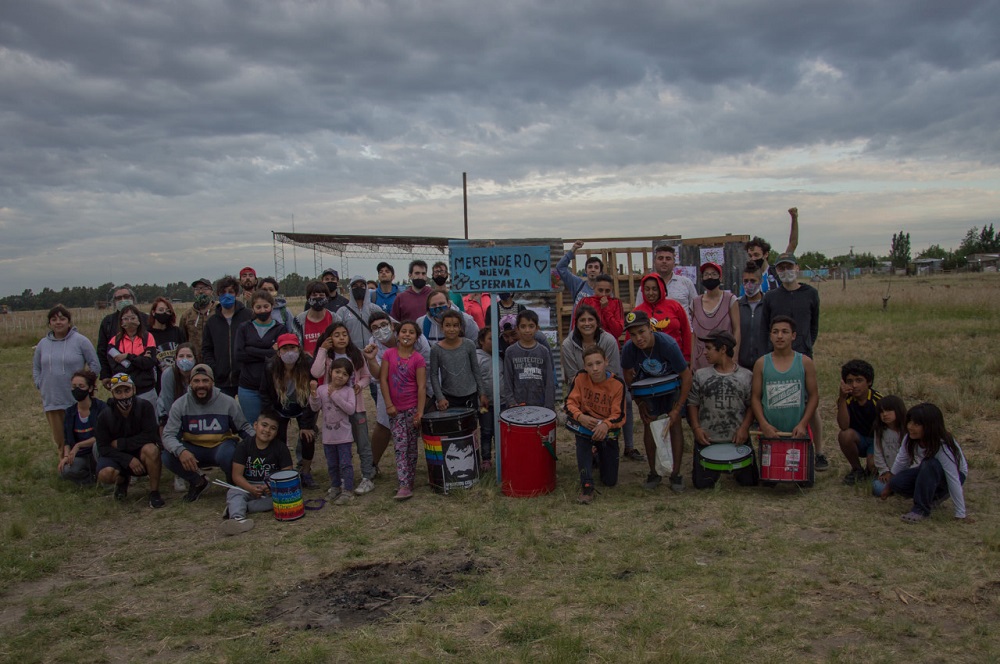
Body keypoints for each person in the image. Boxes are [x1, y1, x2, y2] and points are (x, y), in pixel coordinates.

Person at [759, 253, 827, 470]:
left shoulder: (810, 293)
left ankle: (819, 452)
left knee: (809, 403)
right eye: (781, 268)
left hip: (802, 354)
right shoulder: (770, 297)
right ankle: (779, 445)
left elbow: (814, 325)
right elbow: (764, 327)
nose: (785, 271)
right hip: (776, 356)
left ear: (797, 268)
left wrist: (806, 345)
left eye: (789, 266)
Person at [621, 310, 692, 493]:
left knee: (674, 425)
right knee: (649, 424)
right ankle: (653, 473)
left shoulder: (667, 344)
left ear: (650, 328)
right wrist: (638, 401)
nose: (638, 338)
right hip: (647, 390)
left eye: (642, 332)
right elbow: (628, 375)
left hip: (671, 387)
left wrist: (678, 408)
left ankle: (675, 474)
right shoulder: (629, 349)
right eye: (633, 334)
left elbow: (686, 376)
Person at [161, 364, 254, 501]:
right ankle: (198, 482)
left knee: (230, 453)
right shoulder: (180, 405)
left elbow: (244, 428)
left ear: (212, 383)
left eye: (205, 381)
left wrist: (259, 443)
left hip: (220, 447)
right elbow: (168, 435)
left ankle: (233, 483)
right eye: (196, 381)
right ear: (190, 383)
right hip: (193, 450)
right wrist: (181, 451)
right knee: (167, 456)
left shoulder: (227, 402)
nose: (201, 385)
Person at [561, 304, 640, 461]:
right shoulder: (567, 345)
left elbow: (614, 372)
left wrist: (600, 390)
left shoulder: (609, 340)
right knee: (580, 406)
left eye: (591, 319)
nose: (587, 323)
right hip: (582, 386)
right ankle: (589, 444)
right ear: (576, 323)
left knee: (628, 402)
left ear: (597, 322)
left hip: (608, 384)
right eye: (582, 320)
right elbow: (572, 376)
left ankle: (629, 446)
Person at [363, 312, 432, 478]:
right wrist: (371, 360)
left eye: (383, 325)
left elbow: (427, 365)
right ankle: (372, 466)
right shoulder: (373, 345)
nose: (380, 330)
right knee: (383, 424)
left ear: (392, 326)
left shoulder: (415, 337)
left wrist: (425, 395)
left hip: (420, 382)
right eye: (375, 328)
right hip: (389, 385)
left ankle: (435, 465)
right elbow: (380, 376)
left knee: (425, 424)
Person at [312, 322, 376, 494]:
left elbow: (366, 376)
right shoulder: (327, 358)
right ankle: (339, 479)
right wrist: (322, 349)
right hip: (333, 408)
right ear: (330, 338)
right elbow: (316, 373)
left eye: (344, 334)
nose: (341, 338)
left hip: (356, 405)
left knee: (362, 441)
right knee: (338, 444)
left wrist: (359, 385)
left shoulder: (356, 355)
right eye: (337, 335)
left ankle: (367, 476)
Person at [687, 331, 756, 489]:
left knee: (749, 483)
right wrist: (697, 428)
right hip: (708, 441)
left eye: (709, 348)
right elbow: (692, 403)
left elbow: (752, 405)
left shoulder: (746, 376)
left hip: (737, 440)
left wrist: (744, 428)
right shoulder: (700, 375)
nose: (705, 352)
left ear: (723, 349)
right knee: (702, 485)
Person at [882, 403, 968, 523]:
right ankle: (930, 499)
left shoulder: (942, 445)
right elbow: (901, 462)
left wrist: (960, 514)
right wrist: (889, 486)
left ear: (930, 427)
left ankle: (920, 509)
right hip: (927, 471)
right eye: (910, 422)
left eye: (916, 424)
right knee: (897, 482)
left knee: (930, 464)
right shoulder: (909, 439)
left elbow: (953, 478)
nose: (910, 427)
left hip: (953, 476)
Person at [33, 305, 100, 457]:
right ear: (49, 323)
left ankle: (85, 463)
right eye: (54, 319)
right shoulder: (43, 344)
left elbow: (95, 365)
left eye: (62, 319)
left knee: (79, 434)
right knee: (60, 438)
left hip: (75, 399)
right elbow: (36, 367)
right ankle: (64, 465)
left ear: (69, 322)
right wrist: (40, 383)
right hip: (52, 399)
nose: (58, 322)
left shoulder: (81, 341)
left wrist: (86, 386)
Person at [565, 345, 627, 504]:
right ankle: (587, 485)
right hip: (586, 424)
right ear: (584, 366)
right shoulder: (580, 377)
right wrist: (580, 417)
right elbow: (569, 404)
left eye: (598, 363)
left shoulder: (618, 384)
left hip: (606, 430)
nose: (595, 368)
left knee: (610, 481)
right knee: (582, 441)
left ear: (606, 362)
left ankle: (597, 454)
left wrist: (606, 425)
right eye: (590, 365)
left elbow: (619, 415)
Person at [96, 373, 164, 507]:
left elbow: (151, 436)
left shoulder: (145, 407)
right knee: (105, 474)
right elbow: (103, 448)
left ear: (134, 389)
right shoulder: (104, 415)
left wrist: (122, 443)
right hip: (118, 457)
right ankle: (122, 479)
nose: (123, 396)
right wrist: (128, 460)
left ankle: (154, 492)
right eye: (118, 391)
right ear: (112, 393)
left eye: (127, 390)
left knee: (152, 449)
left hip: (140, 454)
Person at [220, 411, 293, 536]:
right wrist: (250, 488)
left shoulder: (280, 447)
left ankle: (240, 507)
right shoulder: (244, 446)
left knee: (286, 499)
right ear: (255, 425)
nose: (267, 430)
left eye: (273, 428)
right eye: (264, 425)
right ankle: (238, 519)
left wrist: (272, 485)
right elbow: (236, 475)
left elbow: (287, 472)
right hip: (247, 485)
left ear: (276, 432)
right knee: (233, 492)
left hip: (270, 487)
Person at [260, 333, 319, 488]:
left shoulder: (308, 364)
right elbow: (265, 394)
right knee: (277, 439)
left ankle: (305, 471)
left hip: (302, 405)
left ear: (299, 349)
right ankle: (283, 471)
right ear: (279, 352)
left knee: (308, 436)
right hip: (280, 407)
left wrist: (307, 424)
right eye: (284, 349)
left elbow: (312, 397)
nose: (289, 352)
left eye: (292, 348)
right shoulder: (270, 367)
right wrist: (271, 418)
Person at [751, 316, 819, 449]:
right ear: (770, 336)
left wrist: (803, 424)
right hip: (770, 433)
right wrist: (764, 425)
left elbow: (814, 396)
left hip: (796, 433)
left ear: (793, 336)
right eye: (775, 332)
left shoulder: (804, 362)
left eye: (785, 332)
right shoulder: (761, 364)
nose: (780, 336)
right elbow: (755, 397)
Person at [379, 320, 426, 501]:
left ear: (416, 337)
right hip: (395, 410)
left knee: (412, 447)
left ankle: (410, 478)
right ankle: (404, 484)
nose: (407, 335)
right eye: (403, 331)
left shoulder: (418, 359)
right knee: (400, 446)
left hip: (413, 408)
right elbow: (383, 380)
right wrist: (389, 404)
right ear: (397, 334)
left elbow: (421, 387)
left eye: (411, 332)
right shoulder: (388, 355)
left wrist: (420, 412)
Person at [234, 289, 286, 426]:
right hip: (248, 387)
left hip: (273, 387)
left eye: (265, 306)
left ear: (272, 306)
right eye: (258, 307)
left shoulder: (280, 329)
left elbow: (280, 356)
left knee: (272, 426)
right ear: (253, 308)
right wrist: (268, 351)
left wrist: (250, 349)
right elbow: (239, 355)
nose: (262, 310)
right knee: (253, 426)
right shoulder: (244, 328)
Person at [309, 358, 357, 504]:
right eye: (337, 372)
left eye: (344, 374)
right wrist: (313, 395)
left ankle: (347, 490)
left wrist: (335, 396)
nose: (340, 376)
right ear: (330, 371)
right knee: (332, 464)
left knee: (345, 464)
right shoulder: (322, 389)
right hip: (328, 437)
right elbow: (315, 407)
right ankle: (335, 486)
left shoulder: (349, 391)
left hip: (344, 436)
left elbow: (350, 409)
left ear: (349, 378)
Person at [202, 276, 252, 398]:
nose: (227, 295)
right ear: (218, 294)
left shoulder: (248, 316)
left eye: (230, 292)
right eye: (223, 292)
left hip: (245, 378)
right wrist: (214, 368)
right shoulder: (212, 322)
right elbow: (207, 349)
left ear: (236, 294)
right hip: (221, 380)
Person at [430, 310, 489, 413]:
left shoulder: (469, 344)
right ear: (442, 327)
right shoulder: (436, 349)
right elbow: (433, 375)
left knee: (471, 427)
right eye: (447, 325)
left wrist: (482, 393)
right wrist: (440, 397)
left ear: (460, 327)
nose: (451, 329)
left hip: (470, 396)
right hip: (449, 398)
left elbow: (476, 370)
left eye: (455, 325)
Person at [58, 369, 109, 485]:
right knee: (65, 471)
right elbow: (67, 439)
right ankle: (92, 480)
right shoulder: (70, 412)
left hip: (99, 451)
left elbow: (102, 436)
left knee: (97, 446)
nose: (77, 390)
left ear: (90, 388)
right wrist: (66, 456)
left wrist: (79, 445)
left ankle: (105, 478)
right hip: (81, 456)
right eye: (74, 386)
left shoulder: (102, 408)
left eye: (81, 386)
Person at [837, 359, 883, 485]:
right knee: (844, 435)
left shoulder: (878, 401)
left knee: (872, 465)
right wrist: (841, 399)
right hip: (859, 439)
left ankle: (872, 469)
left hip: (877, 441)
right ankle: (857, 469)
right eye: (849, 381)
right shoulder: (846, 400)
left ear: (869, 382)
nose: (854, 385)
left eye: (859, 380)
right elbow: (844, 425)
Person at [690, 262, 740, 373]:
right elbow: (693, 333)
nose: (710, 277)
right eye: (706, 274)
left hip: (724, 357)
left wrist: (734, 356)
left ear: (720, 278)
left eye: (713, 274)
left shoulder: (730, 300)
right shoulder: (695, 302)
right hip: (701, 358)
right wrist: (692, 359)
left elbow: (737, 329)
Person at [631, 272, 692, 363]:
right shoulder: (637, 312)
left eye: (654, 289)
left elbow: (686, 332)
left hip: (675, 358)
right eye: (647, 289)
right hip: (646, 361)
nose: (651, 293)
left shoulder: (675, 306)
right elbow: (630, 338)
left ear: (661, 289)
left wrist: (687, 357)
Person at [96, 285, 149, 388]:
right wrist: (105, 374)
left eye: (126, 296)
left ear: (132, 299)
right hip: (119, 375)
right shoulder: (108, 322)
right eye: (118, 298)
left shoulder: (145, 319)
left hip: (144, 375)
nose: (123, 300)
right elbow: (102, 350)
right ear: (114, 302)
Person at [502, 310, 556, 411]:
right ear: (517, 329)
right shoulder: (510, 352)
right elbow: (508, 380)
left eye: (531, 326)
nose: (527, 330)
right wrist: (511, 402)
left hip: (540, 404)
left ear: (537, 329)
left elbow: (549, 380)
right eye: (523, 326)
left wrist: (549, 406)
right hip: (518, 405)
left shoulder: (543, 351)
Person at [107, 304, 158, 405]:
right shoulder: (114, 341)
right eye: (125, 318)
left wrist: (127, 357)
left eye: (133, 318)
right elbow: (116, 367)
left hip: (146, 390)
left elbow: (149, 363)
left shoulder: (148, 337)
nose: (129, 321)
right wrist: (139, 361)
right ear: (121, 322)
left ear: (139, 320)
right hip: (124, 391)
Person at [744, 207, 799, 294]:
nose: (753, 259)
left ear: (765, 254)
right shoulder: (748, 278)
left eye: (756, 255)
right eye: (750, 256)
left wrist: (794, 218)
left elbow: (793, 243)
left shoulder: (777, 272)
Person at [635, 245, 698, 317]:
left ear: (674, 262)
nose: (664, 261)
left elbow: (696, 310)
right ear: (654, 262)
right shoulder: (645, 287)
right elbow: (638, 313)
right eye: (660, 258)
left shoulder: (686, 283)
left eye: (668, 259)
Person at [148, 297, 186, 393]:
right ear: (153, 312)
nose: (164, 313)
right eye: (160, 310)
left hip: (177, 379)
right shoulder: (147, 335)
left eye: (167, 311)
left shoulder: (177, 331)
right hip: (157, 382)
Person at [871, 395, 907, 497]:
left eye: (888, 410)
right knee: (877, 488)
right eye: (881, 412)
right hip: (887, 472)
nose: (885, 414)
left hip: (905, 472)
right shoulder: (879, 430)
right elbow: (878, 453)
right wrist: (884, 471)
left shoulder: (907, 431)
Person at [737, 261, 768, 371]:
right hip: (742, 365)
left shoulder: (768, 305)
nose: (749, 285)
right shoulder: (737, 305)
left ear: (760, 281)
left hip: (765, 364)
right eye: (746, 281)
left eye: (753, 281)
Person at [157, 342, 197, 427]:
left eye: (189, 356)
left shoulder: (199, 373)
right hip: (170, 413)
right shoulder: (168, 374)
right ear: (175, 358)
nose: (185, 359)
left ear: (195, 359)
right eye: (181, 356)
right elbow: (167, 400)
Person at [337, 275, 382, 350]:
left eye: (362, 286)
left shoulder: (375, 309)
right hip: (352, 353)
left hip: (373, 352)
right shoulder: (342, 311)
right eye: (355, 286)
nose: (359, 288)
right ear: (351, 289)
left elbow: (388, 323)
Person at [577, 274, 624, 342]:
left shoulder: (616, 303)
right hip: (589, 344)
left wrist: (606, 309)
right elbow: (576, 325)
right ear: (594, 287)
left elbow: (618, 331)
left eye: (607, 291)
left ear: (611, 290)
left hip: (610, 344)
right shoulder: (585, 301)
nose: (603, 294)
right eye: (600, 290)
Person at [556, 240, 604, 307]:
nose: (593, 270)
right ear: (585, 271)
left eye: (596, 267)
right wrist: (573, 249)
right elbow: (560, 267)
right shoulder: (578, 284)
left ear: (600, 272)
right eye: (590, 267)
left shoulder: (604, 291)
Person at [295, 281, 335, 357]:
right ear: (308, 297)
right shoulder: (298, 321)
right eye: (314, 295)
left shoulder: (335, 318)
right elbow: (295, 345)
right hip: (306, 364)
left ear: (327, 297)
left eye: (321, 295)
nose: (318, 297)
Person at [179, 278, 214, 361]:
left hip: (215, 360)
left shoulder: (219, 311)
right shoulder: (186, 315)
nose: (201, 292)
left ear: (211, 291)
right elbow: (183, 340)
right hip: (194, 361)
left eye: (205, 288)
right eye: (197, 289)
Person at [476, 327, 496, 470]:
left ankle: (502, 456)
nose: (494, 342)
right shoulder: (477, 357)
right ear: (482, 341)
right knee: (486, 430)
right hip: (484, 405)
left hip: (501, 403)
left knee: (499, 432)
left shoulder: (500, 356)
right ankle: (486, 459)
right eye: (490, 338)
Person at [260, 277, 301, 341]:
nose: (267, 292)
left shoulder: (284, 312)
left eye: (271, 290)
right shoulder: (254, 311)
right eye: (264, 290)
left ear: (276, 292)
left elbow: (292, 333)